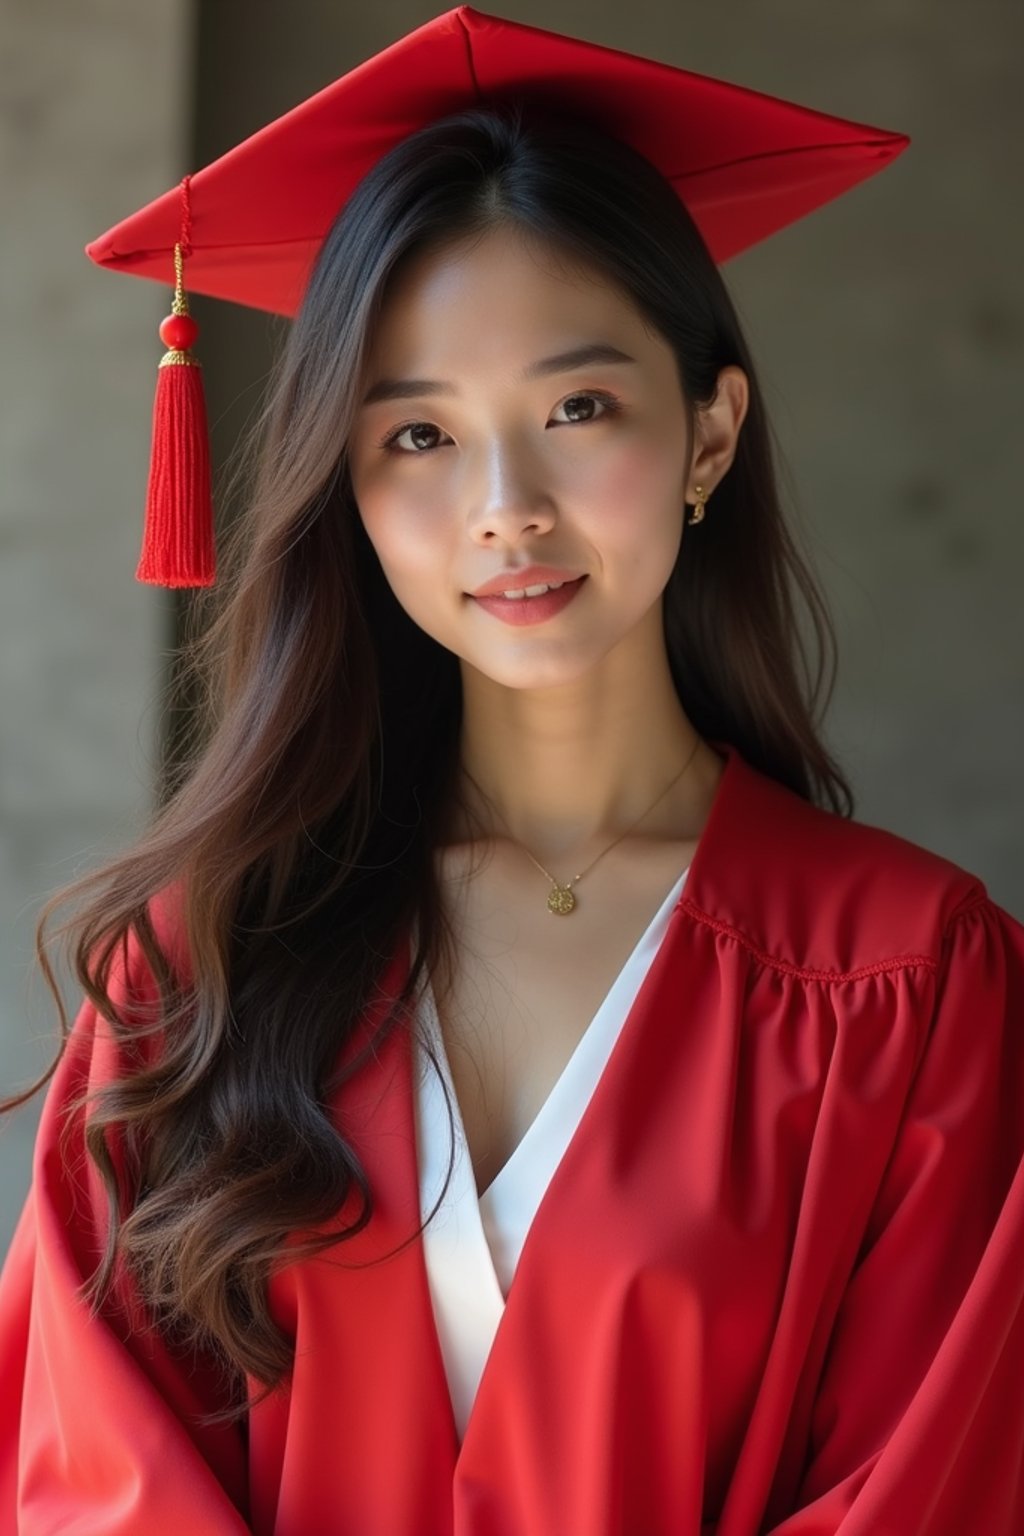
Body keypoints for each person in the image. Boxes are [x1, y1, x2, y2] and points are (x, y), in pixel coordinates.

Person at [2, 7, 1022, 1534]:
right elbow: (91, 1472)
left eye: (576, 409)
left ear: (710, 431)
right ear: (344, 484)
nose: (505, 508)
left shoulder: (906, 984)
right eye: (415, 435)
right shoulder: (199, 966)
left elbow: (931, 1484)